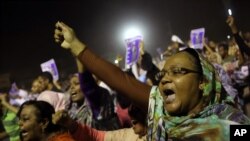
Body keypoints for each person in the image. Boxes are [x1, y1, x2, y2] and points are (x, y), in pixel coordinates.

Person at [54, 22, 250, 140]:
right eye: (164, 74)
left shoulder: (230, 125)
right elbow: (121, 81)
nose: (165, 80)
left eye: (177, 72)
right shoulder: (161, 113)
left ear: (202, 82)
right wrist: (76, 46)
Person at [52, 104, 147, 141]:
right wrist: (71, 124)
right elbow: (96, 136)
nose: (132, 125)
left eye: (135, 121)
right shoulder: (129, 135)